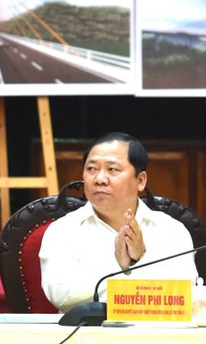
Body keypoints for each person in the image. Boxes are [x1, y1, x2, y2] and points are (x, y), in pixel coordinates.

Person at [39, 132, 197, 313]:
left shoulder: (171, 231)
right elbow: (62, 296)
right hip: (85, 337)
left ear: (140, 180)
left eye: (112, 169)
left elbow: (182, 297)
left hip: (155, 338)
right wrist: (119, 267)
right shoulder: (62, 231)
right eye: (91, 169)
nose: (99, 179)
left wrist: (139, 259)